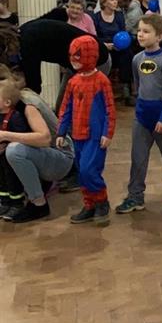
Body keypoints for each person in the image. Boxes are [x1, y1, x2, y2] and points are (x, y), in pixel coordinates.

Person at [115, 14, 162, 213]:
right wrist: (139, 110)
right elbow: (138, 85)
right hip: (142, 117)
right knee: (138, 157)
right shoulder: (137, 59)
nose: (140, 35)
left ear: (159, 36)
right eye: (139, 31)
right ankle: (135, 195)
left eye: (146, 31)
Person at [0, 66, 74, 223]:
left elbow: (44, 138)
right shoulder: (9, 101)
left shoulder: (27, 103)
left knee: (14, 151)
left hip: (60, 157)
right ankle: (11, 198)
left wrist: (6, 136)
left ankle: (38, 204)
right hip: (42, 153)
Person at [57, 35, 116, 225]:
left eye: (78, 56)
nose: (73, 60)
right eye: (72, 56)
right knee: (82, 173)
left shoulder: (101, 81)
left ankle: (101, 201)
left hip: (95, 136)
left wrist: (107, 132)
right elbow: (66, 107)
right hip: (77, 135)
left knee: (89, 170)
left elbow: (110, 109)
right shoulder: (73, 82)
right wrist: (61, 131)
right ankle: (89, 205)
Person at [19, 17, 108, 94]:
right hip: (76, 61)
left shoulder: (27, 42)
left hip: (95, 60)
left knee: (85, 101)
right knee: (64, 104)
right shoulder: (23, 32)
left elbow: (34, 84)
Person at [93, 0, 134, 105]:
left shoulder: (119, 16)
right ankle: (100, 90)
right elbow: (94, 37)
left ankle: (126, 89)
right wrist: (105, 45)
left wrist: (119, 45)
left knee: (127, 53)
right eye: (112, 0)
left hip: (118, 47)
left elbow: (123, 33)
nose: (115, 2)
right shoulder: (96, 17)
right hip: (104, 47)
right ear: (104, 2)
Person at [0, 80, 31, 217]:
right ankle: (5, 202)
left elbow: (21, 136)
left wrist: (7, 143)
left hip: (10, 156)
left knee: (12, 179)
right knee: (1, 179)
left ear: (7, 102)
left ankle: (17, 203)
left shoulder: (15, 117)